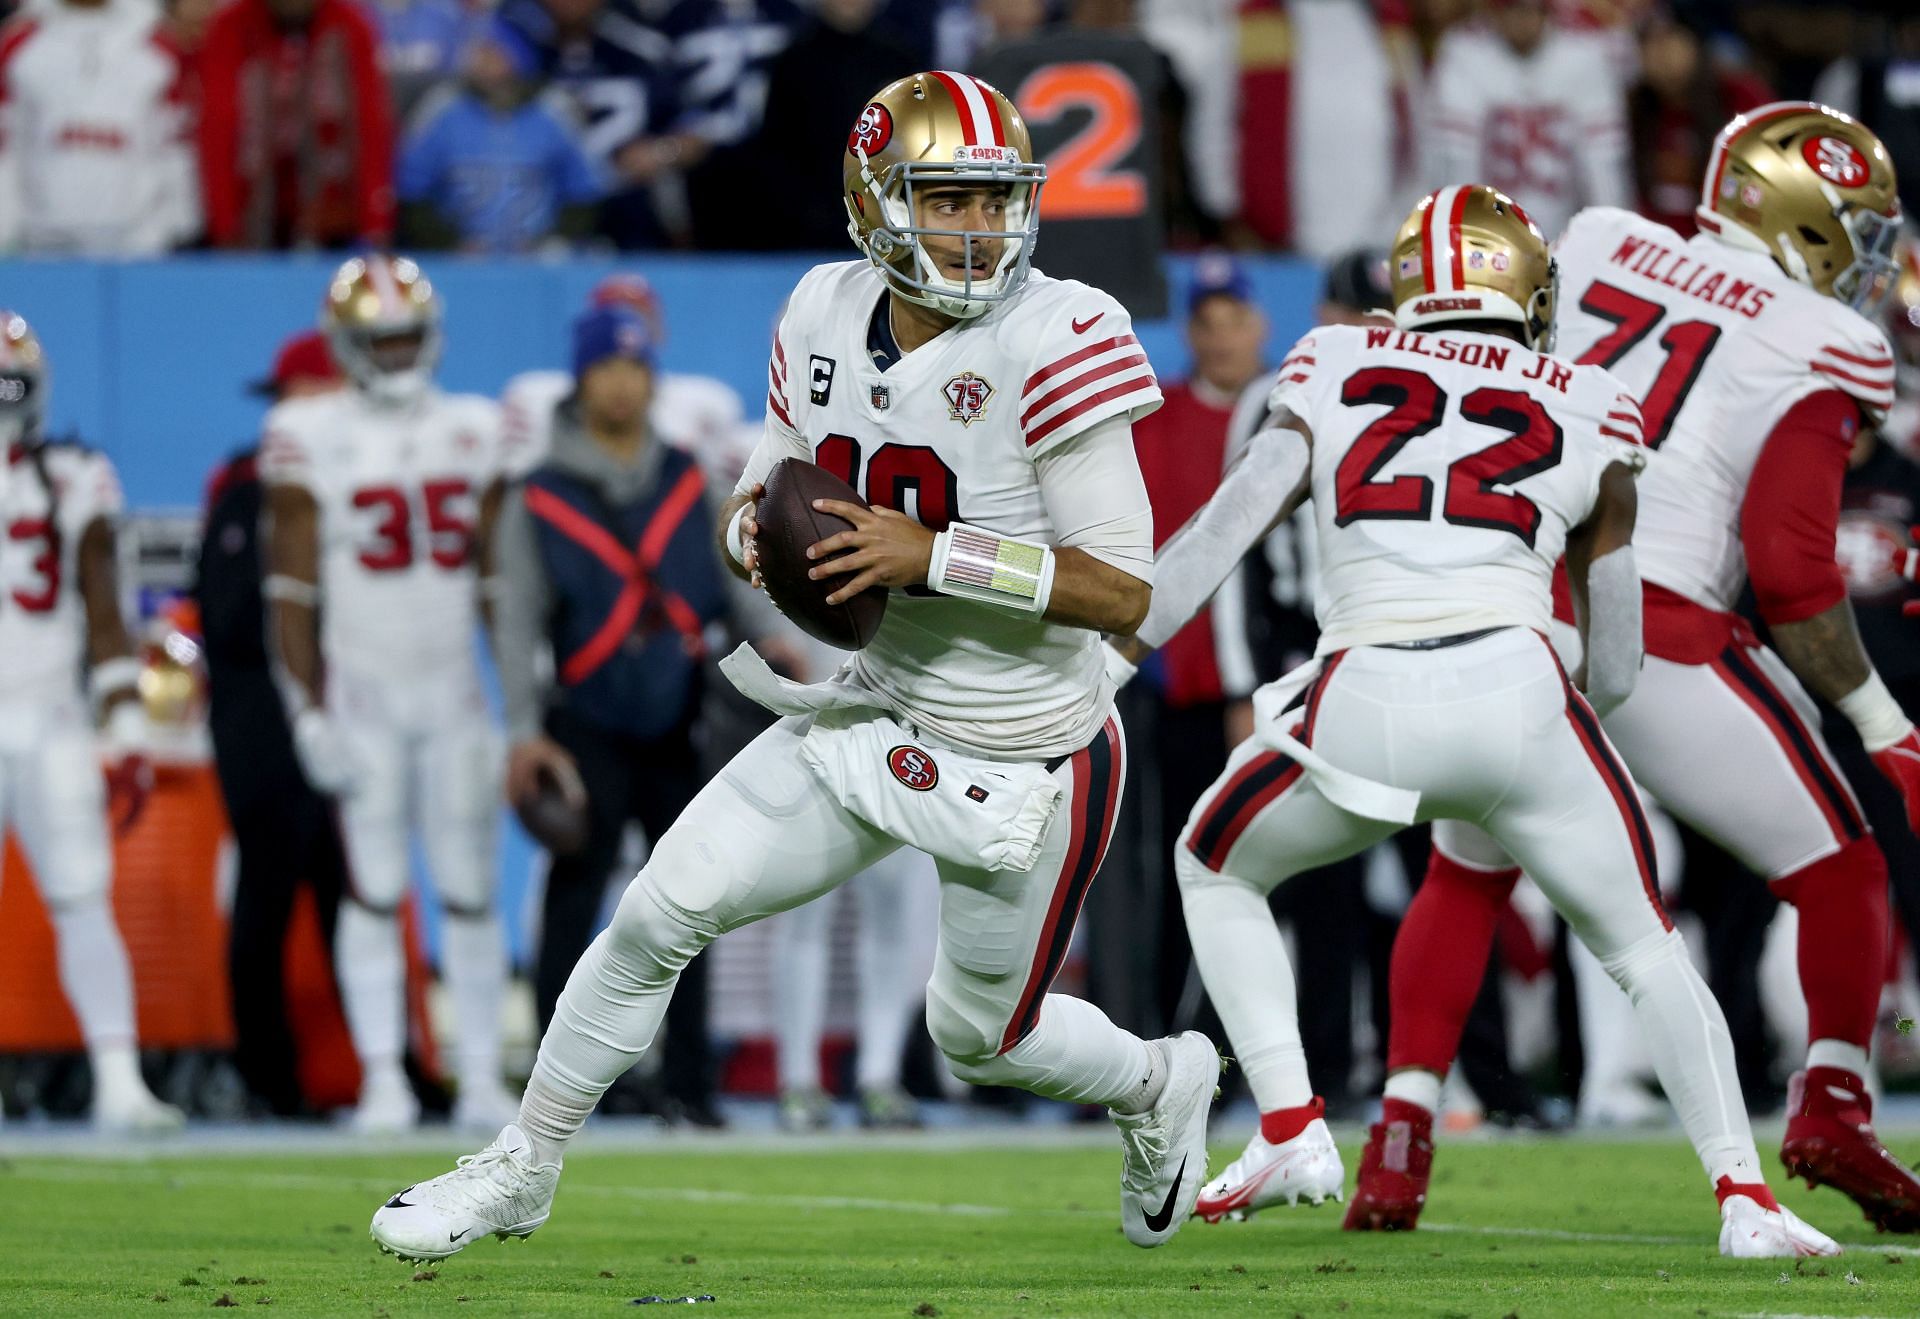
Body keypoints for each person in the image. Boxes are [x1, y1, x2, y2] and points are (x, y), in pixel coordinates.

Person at [371, 70, 1216, 1263]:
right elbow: (758, 495)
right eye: (947, 199)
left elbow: (1120, 590)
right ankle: (522, 1161)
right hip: (876, 703)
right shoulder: (821, 309)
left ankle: (1158, 1083)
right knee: (660, 906)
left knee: (982, 1035)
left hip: (1032, 747)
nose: (980, 229)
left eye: (996, 200)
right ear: (874, 203)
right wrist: (762, 549)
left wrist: (935, 555)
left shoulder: (1061, 330)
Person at [1112, 183, 1832, 1258]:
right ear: (1528, 291)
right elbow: (1620, 651)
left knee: (1215, 863)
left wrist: (1112, 643)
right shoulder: (1590, 393)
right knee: (1645, 945)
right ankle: (1745, 1194)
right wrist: (1562, 710)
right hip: (1523, 690)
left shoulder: (1330, 360)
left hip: (1360, 695)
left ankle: (1293, 1125)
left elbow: (1225, 529)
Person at [1359, 104, 1920, 1236]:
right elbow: (1792, 565)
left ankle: (1400, 1135)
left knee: (1467, 874)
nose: (1865, 256)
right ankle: (1833, 1106)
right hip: (1659, 625)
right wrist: (1882, 718)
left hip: (1515, 609)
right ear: (1804, 220)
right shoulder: (1827, 340)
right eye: (1854, 228)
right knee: (1841, 871)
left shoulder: (1606, 238)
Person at [260, 256, 515, 1133]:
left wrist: (524, 701)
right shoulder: (306, 430)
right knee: (371, 889)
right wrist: (305, 708)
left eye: (409, 337)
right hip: (364, 693)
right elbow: (290, 590)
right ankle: (382, 1077)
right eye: (383, 341)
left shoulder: (477, 427)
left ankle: (479, 1073)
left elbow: (499, 583)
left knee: (471, 887)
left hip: (452, 695)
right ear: (347, 346)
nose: (400, 355)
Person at [489, 304, 731, 1128]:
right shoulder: (540, 492)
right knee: (575, 894)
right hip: (584, 718)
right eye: (607, 367)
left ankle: (692, 1082)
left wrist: (787, 650)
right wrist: (523, 730)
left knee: (692, 900)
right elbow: (515, 617)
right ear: (582, 379)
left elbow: (741, 578)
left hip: (675, 714)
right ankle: (558, 1089)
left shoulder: (691, 478)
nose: (623, 382)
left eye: (636, 368)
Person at [0, 312, 183, 1132]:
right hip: (47, 718)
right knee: (83, 899)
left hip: (51, 715)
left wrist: (125, 715)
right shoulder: (70, 470)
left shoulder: (72, 473)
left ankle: (118, 1079)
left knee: (83, 897)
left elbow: (102, 594)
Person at [196, 331, 351, 1117]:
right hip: (263, 718)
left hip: (335, 707)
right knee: (271, 885)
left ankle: (376, 1067)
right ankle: (266, 1073)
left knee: (346, 891)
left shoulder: (350, 476)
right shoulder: (249, 485)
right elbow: (228, 616)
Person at [0, 0, 200, 255]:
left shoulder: (158, 44)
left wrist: (179, 226)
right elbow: (7, 146)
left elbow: (175, 145)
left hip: (139, 245)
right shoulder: (19, 42)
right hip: (41, 244)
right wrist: (6, 228)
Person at [197, 0, 395, 249]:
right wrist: (224, 229)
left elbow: (371, 130)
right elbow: (218, 134)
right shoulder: (230, 27)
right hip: (252, 213)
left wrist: (375, 225)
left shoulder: (351, 25)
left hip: (334, 219)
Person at [1425, 0, 1630, 239]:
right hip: (1486, 234)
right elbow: (1454, 164)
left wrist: (1613, 238)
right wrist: (1457, 236)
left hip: (1568, 234)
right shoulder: (1463, 51)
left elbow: (1604, 169)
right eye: (1512, 9)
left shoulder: (1585, 53)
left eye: (1531, 9)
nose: (1523, 20)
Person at [396, 18, 603, 255]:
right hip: (460, 262)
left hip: (538, 263)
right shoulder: (442, 107)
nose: (480, 59)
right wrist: (447, 243)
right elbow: (411, 188)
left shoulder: (554, 109)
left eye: (493, 50)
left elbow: (585, 188)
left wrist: (555, 241)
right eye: (478, 50)